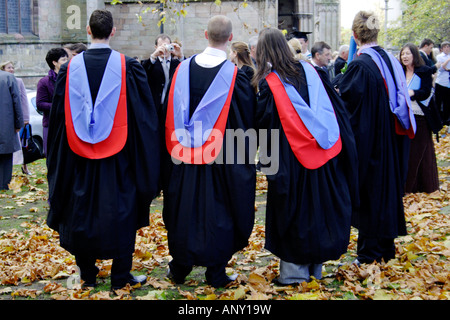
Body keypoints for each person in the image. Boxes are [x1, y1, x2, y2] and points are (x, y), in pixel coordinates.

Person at [46, 9, 160, 290]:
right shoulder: (129, 66)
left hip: (77, 159)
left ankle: (87, 274)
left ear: (88, 31)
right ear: (113, 31)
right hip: (119, 159)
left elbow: (59, 120)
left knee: (80, 210)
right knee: (121, 211)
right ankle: (120, 277)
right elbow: (144, 119)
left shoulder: (68, 70)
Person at [253, 27, 358, 285]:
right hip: (325, 155)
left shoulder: (269, 83)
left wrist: (267, 164)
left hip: (291, 160)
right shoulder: (315, 72)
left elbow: (266, 127)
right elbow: (337, 111)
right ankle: (316, 268)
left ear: (264, 52)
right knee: (319, 209)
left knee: (294, 210)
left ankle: (293, 273)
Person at [161, 15, 256, 288]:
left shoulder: (181, 70)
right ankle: (216, 271)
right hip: (220, 159)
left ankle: (179, 268)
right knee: (219, 210)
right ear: (230, 39)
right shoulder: (235, 77)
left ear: (205, 35)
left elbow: (165, 111)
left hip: (182, 156)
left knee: (182, 208)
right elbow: (244, 122)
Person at [338, 11, 416, 265]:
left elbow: (349, 108)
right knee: (386, 191)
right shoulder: (388, 59)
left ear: (354, 35)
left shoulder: (361, 65)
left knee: (371, 193)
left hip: (371, 141)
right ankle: (385, 248)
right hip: (391, 138)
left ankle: (369, 253)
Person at [400, 43, 439, 194]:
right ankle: (417, 186)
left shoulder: (424, 71)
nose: (404, 57)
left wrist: (412, 93)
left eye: (407, 54)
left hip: (421, 117)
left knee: (418, 152)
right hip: (404, 117)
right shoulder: (399, 72)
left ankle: (409, 188)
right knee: (411, 152)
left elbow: (426, 92)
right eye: (403, 54)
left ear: (414, 55)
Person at [36, 47, 69, 156]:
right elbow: (40, 104)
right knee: (52, 155)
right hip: (51, 123)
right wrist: (59, 106)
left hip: (69, 123)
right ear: (54, 62)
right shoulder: (44, 82)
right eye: (63, 59)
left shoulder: (72, 78)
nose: (67, 62)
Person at [0, 61, 30, 175]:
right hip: (7, 120)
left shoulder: (18, 81)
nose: (11, 69)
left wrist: (24, 119)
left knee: (19, 145)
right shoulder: (7, 80)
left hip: (13, 120)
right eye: (9, 67)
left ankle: (22, 167)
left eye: (13, 67)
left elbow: (22, 101)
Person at [141, 34, 183, 113]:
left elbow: (187, 73)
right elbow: (143, 72)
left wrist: (180, 55)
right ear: (156, 47)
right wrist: (154, 55)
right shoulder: (150, 63)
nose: (164, 49)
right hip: (156, 108)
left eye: (167, 46)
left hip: (173, 107)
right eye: (161, 46)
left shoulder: (177, 63)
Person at [0, 69, 23, 190]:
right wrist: (19, 123)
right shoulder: (8, 77)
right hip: (5, 122)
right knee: (6, 155)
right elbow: (16, 101)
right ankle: (4, 184)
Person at [435, 41, 450, 126]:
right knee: (438, 102)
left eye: (448, 47)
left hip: (448, 82)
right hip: (441, 81)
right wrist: (447, 60)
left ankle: (446, 120)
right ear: (442, 48)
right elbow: (440, 68)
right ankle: (438, 120)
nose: (447, 48)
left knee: (447, 102)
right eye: (445, 47)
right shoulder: (439, 56)